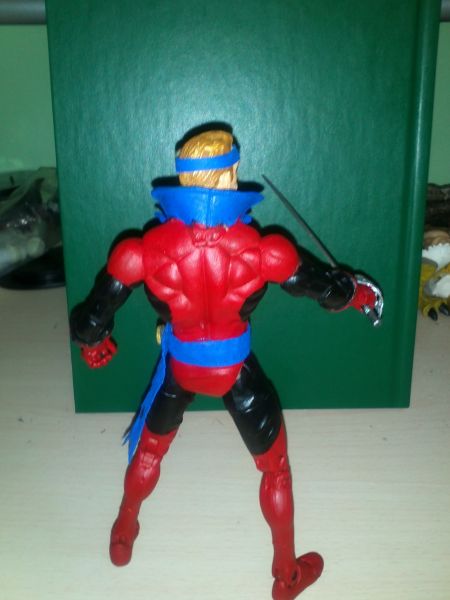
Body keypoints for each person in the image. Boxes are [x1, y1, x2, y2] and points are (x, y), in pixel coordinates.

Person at [70, 129, 381, 600]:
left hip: (181, 366)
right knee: (275, 471)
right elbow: (328, 291)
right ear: (229, 174)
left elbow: (89, 321)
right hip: (235, 370)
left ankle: (123, 532)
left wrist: (95, 344)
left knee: (149, 452)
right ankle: (286, 575)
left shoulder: (140, 252)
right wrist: (358, 293)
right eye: (234, 169)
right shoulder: (264, 251)